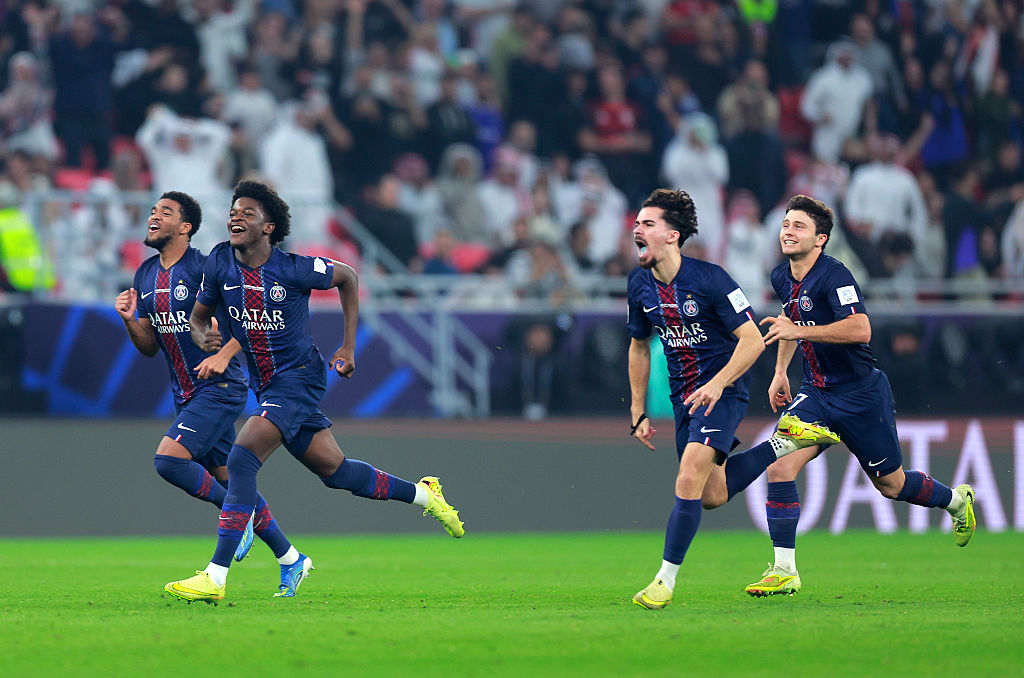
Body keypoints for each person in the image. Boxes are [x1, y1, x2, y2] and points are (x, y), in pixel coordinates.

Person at [164, 180, 464, 604]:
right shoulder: (218, 263)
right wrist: (202, 337)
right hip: (268, 385)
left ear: (268, 227)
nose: (236, 216)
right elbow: (198, 318)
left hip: (300, 377)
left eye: (248, 212)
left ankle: (215, 575)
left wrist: (348, 345)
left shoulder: (295, 268)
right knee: (336, 472)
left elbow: (349, 276)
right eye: (234, 210)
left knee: (242, 457)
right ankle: (423, 495)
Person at [743, 194, 976, 597]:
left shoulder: (836, 276)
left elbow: (860, 329)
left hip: (860, 395)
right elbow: (789, 322)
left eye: (799, 226)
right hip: (816, 393)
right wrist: (781, 370)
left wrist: (799, 332)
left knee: (891, 485)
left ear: (821, 239)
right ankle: (784, 570)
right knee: (780, 466)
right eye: (786, 224)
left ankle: (956, 501)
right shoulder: (782, 276)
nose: (788, 232)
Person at [626, 189, 839, 611]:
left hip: (723, 391)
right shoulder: (639, 284)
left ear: (672, 235)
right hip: (686, 398)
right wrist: (637, 407)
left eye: (648, 223)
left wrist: (719, 383)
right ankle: (784, 443)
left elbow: (752, 341)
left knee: (688, 476)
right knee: (712, 494)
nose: (637, 229)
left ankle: (663, 581)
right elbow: (637, 345)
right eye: (637, 222)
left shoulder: (711, 279)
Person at [114, 191, 300, 574]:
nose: (153, 216)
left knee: (168, 460)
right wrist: (131, 320)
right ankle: (291, 558)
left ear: (185, 228)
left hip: (220, 388)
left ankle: (238, 518)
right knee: (234, 484)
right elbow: (149, 347)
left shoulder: (205, 268)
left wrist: (224, 353)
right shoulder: (145, 274)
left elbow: (250, 318)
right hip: (185, 394)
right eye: (152, 211)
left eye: (165, 212)